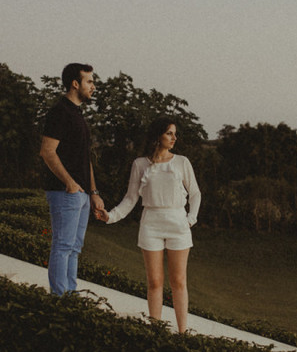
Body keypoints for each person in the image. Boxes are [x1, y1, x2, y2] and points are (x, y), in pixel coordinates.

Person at [100, 116, 201, 333]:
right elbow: (130, 199)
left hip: (178, 224)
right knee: (154, 282)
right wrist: (110, 216)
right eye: (169, 133)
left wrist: (190, 219)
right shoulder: (140, 164)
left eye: (175, 133)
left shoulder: (182, 162)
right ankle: (155, 332)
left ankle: (183, 333)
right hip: (151, 225)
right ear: (158, 136)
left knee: (178, 281)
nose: (174, 137)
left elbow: (195, 194)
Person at [39, 63, 105, 295]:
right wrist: (69, 183)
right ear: (75, 84)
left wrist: (93, 192)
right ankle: (59, 298)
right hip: (65, 192)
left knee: (74, 248)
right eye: (89, 81)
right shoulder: (60, 112)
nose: (93, 86)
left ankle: (70, 296)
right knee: (63, 245)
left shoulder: (77, 114)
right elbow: (47, 151)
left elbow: (84, 158)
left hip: (82, 194)